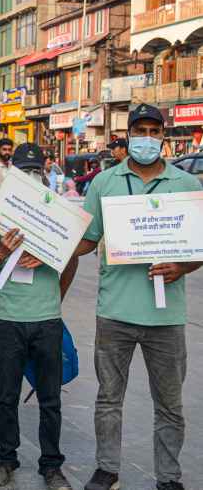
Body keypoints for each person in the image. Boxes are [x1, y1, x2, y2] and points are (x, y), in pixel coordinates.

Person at [63, 104, 201, 490]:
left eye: (153, 131)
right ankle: (107, 469)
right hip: (115, 311)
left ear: (163, 135)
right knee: (108, 398)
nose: (146, 138)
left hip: (167, 316)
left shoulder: (186, 186)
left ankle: (169, 477)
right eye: (139, 131)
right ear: (129, 135)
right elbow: (87, 240)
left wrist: (181, 267)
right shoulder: (106, 182)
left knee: (170, 405)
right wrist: (46, 243)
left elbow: (198, 248)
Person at [0, 143, 72, 490]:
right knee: (7, 394)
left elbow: (71, 258)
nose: (32, 176)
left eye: (37, 170)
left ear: (45, 172)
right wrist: (4, 251)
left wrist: (55, 296)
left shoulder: (58, 211)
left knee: (50, 397)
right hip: (8, 317)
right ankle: (6, 458)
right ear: (12, 172)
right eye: (24, 171)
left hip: (46, 318)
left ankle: (51, 464)